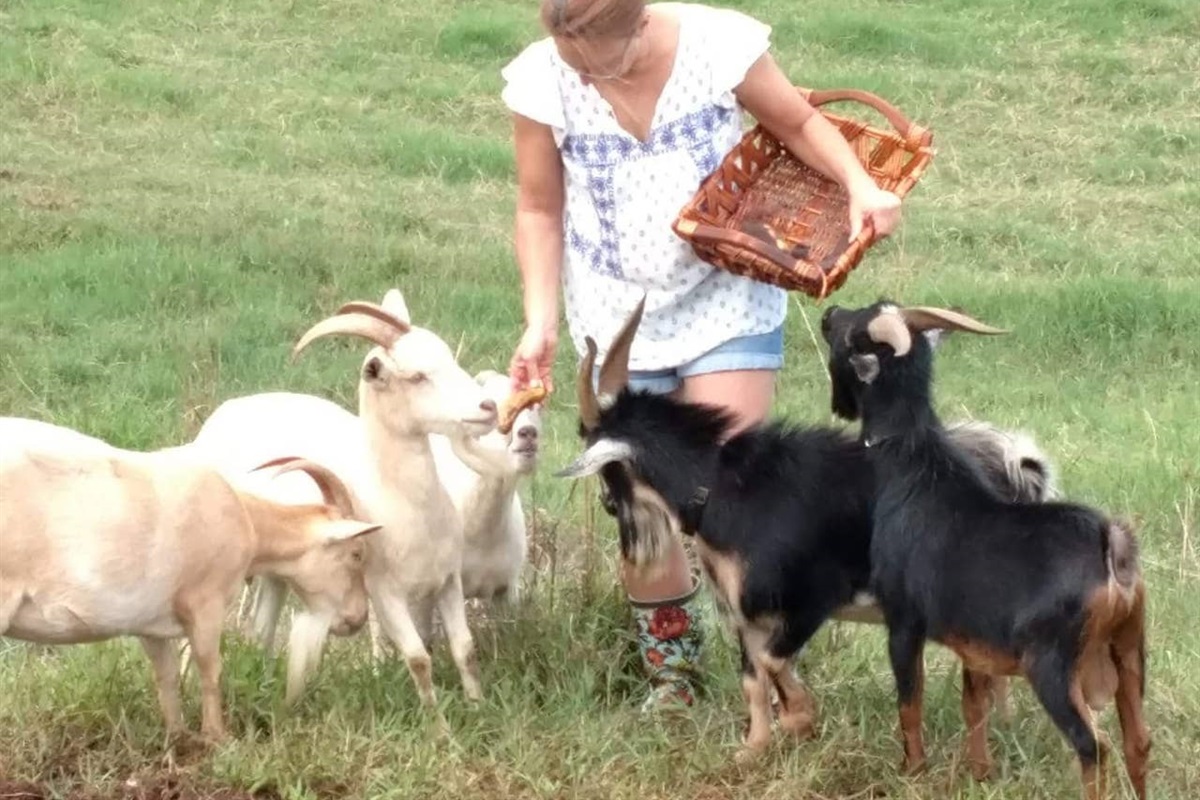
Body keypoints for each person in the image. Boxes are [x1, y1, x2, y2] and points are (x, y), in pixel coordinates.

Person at [501, 0, 902, 711]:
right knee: (640, 512)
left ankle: (769, 678)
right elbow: (538, 208)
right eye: (574, 63)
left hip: (726, 301)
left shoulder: (715, 43)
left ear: (637, 25)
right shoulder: (541, 81)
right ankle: (675, 680)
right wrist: (541, 323)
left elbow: (800, 122)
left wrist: (859, 184)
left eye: (602, 61)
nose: (587, 78)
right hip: (613, 320)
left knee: (733, 500)